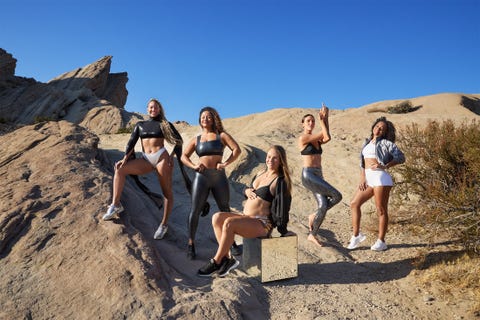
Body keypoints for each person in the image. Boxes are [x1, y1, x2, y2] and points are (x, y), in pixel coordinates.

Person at [197, 145, 293, 277]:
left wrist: (283, 230)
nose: (270, 160)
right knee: (217, 217)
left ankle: (216, 261)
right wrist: (246, 191)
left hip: (262, 223)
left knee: (229, 223)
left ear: (281, 161)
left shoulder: (280, 181)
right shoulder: (260, 173)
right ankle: (227, 259)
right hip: (246, 218)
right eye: (269, 156)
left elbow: (283, 206)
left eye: (275, 158)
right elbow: (249, 189)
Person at [103, 98, 183, 241]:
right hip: (146, 159)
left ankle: (164, 224)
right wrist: (124, 159)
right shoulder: (140, 125)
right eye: (151, 107)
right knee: (120, 170)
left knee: (166, 192)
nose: (153, 109)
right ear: (147, 109)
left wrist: (171, 156)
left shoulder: (164, 124)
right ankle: (115, 205)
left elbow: (179, 141)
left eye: (156, 107)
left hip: (161, 158)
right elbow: (131, 143)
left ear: (160, 109)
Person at [181, 107, 241, 260]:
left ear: (214, 119)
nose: (205, 119)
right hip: (201, 177)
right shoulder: (197, 139)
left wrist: (226, 163)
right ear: (199, 120)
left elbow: (236, 150)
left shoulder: (222, 136)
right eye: (202, 117)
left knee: (225, 209)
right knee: (195, 210)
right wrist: (194, 166)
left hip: (218, 177)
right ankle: (191, 244)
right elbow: (183, 157)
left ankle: (232, 243)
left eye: (208, 116)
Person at [347, 116, 405, 251]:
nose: (378, 129)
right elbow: (362, 163)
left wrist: (385, 166)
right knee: (354, 203)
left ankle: (381, 241)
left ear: (384, 133)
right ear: (373, 127)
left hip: (381, 178)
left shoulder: (386, 143)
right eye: (377, 126)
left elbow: (401, 157)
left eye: (382, 129)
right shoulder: (366, 143)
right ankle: (356, 235)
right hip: (368, 178)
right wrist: (362, 178)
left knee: (381, 209)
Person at [299, 105, 342, 247]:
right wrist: (322, 120)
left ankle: (313, 234)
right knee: (337, 196)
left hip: (319, 174)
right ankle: (314, 215)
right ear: (303, 124)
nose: (311, 123)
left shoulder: (316, 140)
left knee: (323, 205)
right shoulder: (304, 138)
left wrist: (326, 118)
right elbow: (326, 135)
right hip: (309, 174)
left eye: (313, 121)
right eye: (308, 121)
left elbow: (326, 136)